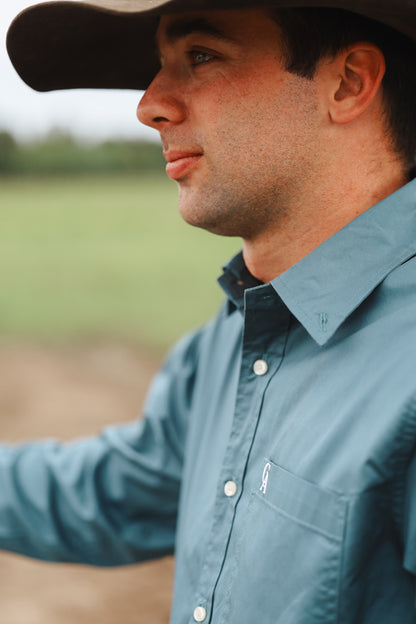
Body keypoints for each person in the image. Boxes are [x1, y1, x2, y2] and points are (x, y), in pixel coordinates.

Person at [4, 0, 416, 621]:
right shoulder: (230, 344)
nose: (149, 106)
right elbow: (116, 494)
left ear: (348, 81)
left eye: (201, 56)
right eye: (160, 65)